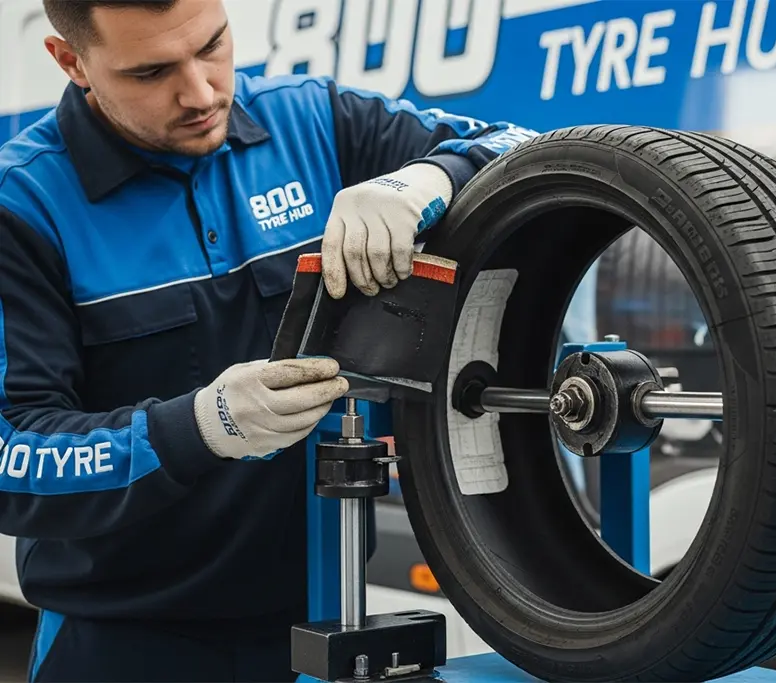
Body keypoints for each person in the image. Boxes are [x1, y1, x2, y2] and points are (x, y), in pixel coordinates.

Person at [0, 0, 538, 680]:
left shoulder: (314, 121)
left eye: (213, 45)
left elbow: (527, 145)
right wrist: (202, 425)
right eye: (152, 71)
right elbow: (11, 454)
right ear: (70, 61)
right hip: (121, 645)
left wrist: (430, 177)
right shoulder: (22, 207)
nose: (200, 92)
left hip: (325, 615)